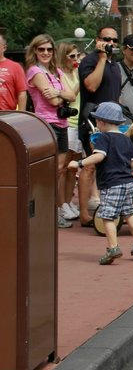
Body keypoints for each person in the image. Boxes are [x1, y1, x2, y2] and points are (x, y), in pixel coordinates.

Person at [67, 102, 133, 264]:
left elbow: (99, 156)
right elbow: (132, 162)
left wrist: (79, 163)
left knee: (108, 217)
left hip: (111, 183)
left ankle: (113, 248)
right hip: (127, 182)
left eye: (97, 121)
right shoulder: (126, 140)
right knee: (130, 213)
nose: (97, 124)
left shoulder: (103, 138)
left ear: (102, 122)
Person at [25, 34, 78, 228]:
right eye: (41, 49)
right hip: (47, 124)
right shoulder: (34, 71)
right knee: (48, 171)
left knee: (59, 170)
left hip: (62, 124)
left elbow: (72, 94)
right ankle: (45, 209)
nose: (46, 53)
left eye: (49, 49)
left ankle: (52, 209)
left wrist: (58, 92)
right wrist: (61, 95)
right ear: (34, 51)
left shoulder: (56, 71)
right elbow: (53, 101)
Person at [77, 26, 123, 227]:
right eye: (106, 39)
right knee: (89, 166)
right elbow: (91, 86)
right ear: (98, 40)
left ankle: (107, 207)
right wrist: (102, 58)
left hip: (111, 123)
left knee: (108, 165)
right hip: (92, 121)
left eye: (114, 40)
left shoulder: (115, 64)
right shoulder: (90, 61)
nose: (111, 43)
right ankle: (83, 212)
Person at [56, 42, 83, 222]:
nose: (75, 60)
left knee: (74, 167)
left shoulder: (75, 72)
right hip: (67, 122)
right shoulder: (59, 74)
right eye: (71, 56)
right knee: (63, 167)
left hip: (79, 121)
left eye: (76, 56)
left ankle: (68, 201)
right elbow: (70, 95)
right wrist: (81, 80)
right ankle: (60, 205)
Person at [0, 33, 27, 111]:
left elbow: (22, 93)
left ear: (4, 48)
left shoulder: (15, 67)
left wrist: (21, 116)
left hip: (7, 114)